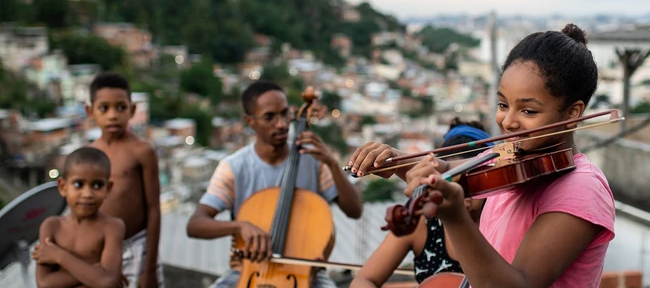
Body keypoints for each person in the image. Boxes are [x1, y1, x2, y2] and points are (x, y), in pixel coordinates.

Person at [347, 23, 615, 288]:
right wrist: (397, 161)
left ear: (572, 113)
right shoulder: (512, 159)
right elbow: (446, 171)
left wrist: (454, 218)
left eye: (528, 111)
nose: (507, 121)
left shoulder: (582, 189)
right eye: (503, 104)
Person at [186, 80, 364, 288]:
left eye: (284, 113)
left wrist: (332, 164)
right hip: (248, 270)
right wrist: (240, 226)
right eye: (269, 117)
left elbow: (355, 211)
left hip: (306, 272)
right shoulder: (233, 167)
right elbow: (195, 224)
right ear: (250, 121)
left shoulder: (314, 161)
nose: (281, 124)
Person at [350, 118, 491, 288]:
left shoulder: (500, 220)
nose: (461, 194)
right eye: (453, 182)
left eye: (471, 184)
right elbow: (364, 280)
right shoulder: (422, 223)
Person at [85, 72, 164, 288]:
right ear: (90, 111)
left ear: (133, 110)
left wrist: (149, 269)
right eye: (104, 108)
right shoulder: (89, 155)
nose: (113, 115)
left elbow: (154, 209)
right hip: (101, 249)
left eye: (121, 107)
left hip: (137, 245)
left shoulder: (142, 151)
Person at [33, 147, 127, 288]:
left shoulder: (112, 226)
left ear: (108, 188)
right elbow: (45, 283)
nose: (87, 194)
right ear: (63, 187)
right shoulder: (52, 226)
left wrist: (59, 255)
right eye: (78, 184)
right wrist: (95, 272)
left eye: (97, 185)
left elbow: (106, 282)